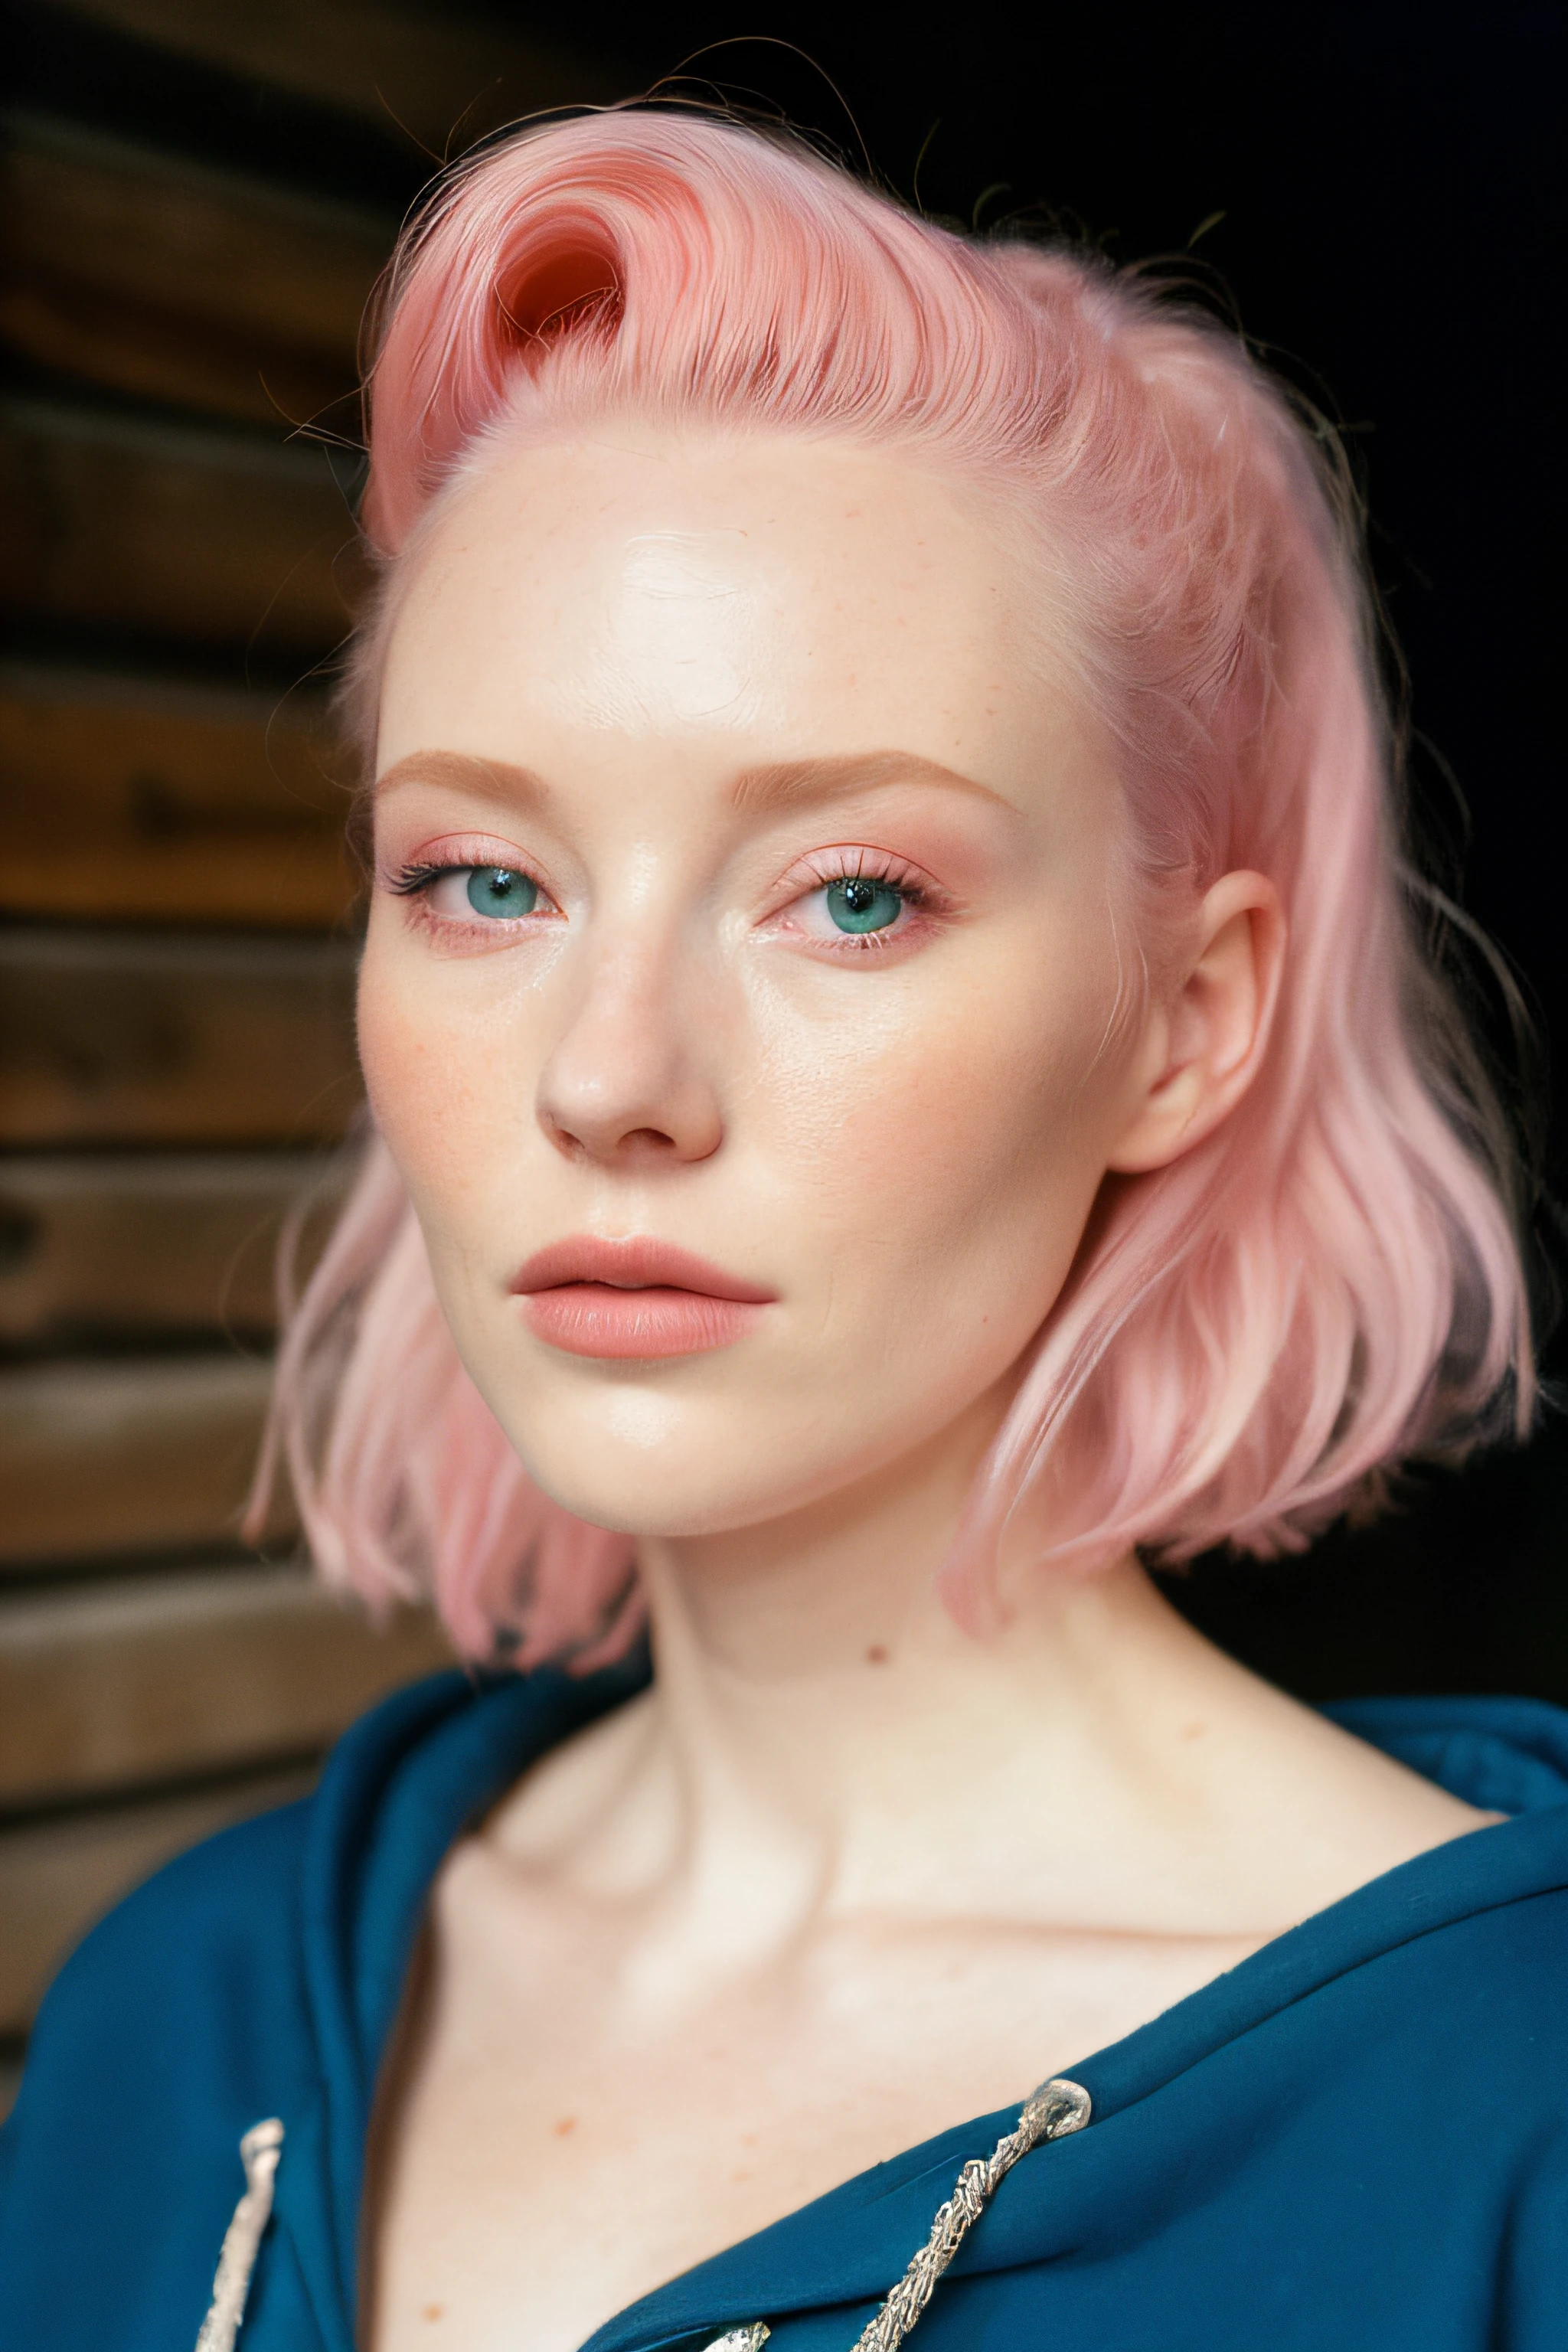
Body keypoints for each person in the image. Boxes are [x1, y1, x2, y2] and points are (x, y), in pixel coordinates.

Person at [2, 107, 1564, 2352]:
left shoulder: (1512, 2130)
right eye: (485, 881)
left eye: (852, 894)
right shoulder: (182, 2020)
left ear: (1187, 1022)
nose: (607, 1073)